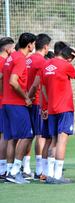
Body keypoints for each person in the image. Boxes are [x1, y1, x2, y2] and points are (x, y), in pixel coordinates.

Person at [42, 44, 75, 184]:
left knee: (53, 140)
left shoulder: (46, 65)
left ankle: (50, 174)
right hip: (65, 108)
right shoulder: (65, 65)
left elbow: (44, 88)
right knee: (62, 140)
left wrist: (48, 104)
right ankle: (58, 176)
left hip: (51, 108)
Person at [3, 33, 36, 184]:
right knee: (27, 135)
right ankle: (16, 171)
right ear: (29, 45)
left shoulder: (11, 57)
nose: (34, 46)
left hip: (6, 103)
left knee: (11, 138)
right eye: (33, 44)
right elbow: (13, 82)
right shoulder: (20, 59)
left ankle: (10, 171)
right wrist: (26, 97)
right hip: (17, 104)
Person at [23, 33, 52, 180]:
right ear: (46, 47)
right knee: (40, 135)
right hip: (36, 101)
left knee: (28, 135)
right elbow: (37, 84)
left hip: (24, 100)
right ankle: (40, 169)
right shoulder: (42, 62)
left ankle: (26, 167)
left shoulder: (27, 59)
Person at [0, 37, 15, 180]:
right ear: (7, 49)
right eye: (12, 48)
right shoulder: (4, 62)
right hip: (3, 103)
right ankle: (3, 169)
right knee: (6, 136)